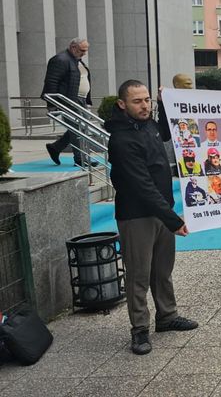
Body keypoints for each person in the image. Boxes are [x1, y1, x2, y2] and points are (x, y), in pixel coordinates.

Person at [105, 80, 197, 356]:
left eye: (147, 100)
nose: (145, 106)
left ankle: (167, 316)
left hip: (161, 211)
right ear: (122, 104)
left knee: (162, 270)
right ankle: (140, 329)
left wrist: (168, 103)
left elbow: (169, 134)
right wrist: (173, 219)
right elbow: (141, 185)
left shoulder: (149, 125)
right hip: (137, 216)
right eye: (137, 101)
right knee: (139, 275)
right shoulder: (121, 139)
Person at [42, 38, 98, 167]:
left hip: (80, 100)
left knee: (80, 128)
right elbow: (51, 81)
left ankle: (55, 147)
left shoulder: (76, 61)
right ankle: (80, 159)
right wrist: (52, 104)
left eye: (86, 50)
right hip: (69, 100)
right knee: (77, 129)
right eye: (82, 50)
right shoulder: (60, 60)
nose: (84, 53)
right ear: (73, 47)